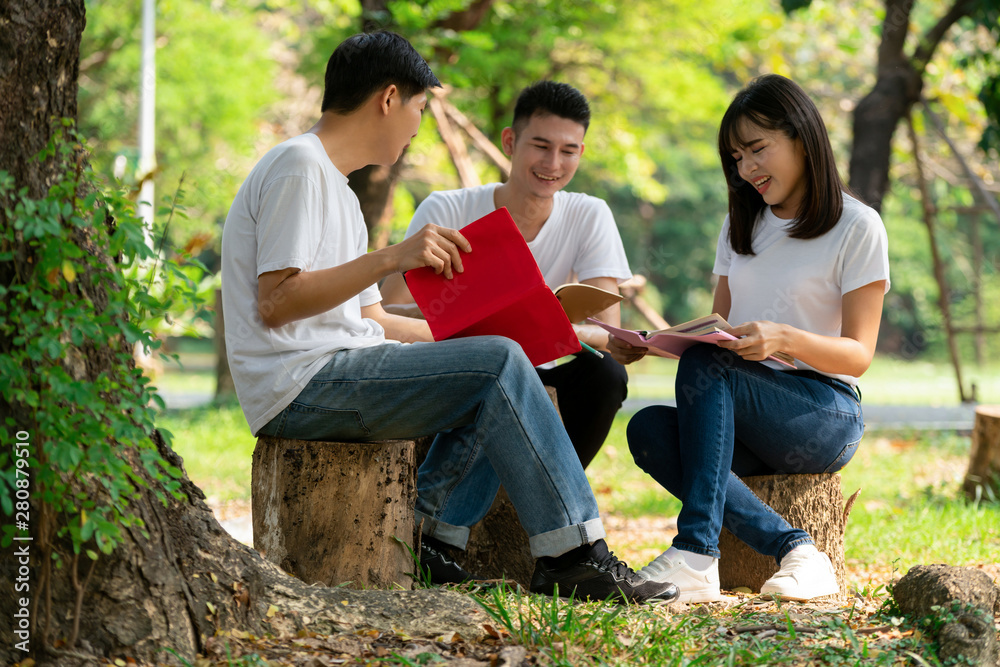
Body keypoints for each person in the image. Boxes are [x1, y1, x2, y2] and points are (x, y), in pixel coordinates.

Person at [220, 31, 676, 604]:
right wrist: (390, 258)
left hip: (340, 368)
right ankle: (574, 555)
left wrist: (485, 335)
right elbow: (278, 301)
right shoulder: (299, 167)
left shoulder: (336, 187)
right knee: (499, 363)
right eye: (417, 108)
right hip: (300, 387)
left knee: (503, 361)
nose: (416, 126)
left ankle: (432, 538)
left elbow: (376, 321)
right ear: (389, 98)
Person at [610, 74, 890, 603]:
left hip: (822, 411)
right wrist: (653, 341)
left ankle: (695, 553)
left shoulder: (858, 226)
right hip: (742, 414)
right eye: (736, 157)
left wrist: (785, 337)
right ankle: (798, 552)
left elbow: (859, 355)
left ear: (803, 137)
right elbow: (718, 329)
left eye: (758, 149)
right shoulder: (741, 223)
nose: (747, 169)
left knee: (709, 370)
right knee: (648, 428)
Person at [380, 81, 632, 469]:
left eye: (568, 151)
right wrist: (469, 317)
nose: (553, 164)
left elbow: (607, 333)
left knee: (606, 373)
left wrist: (545, 325)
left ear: (581, 153)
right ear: (510, 142)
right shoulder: (447, 209)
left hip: (543, 370)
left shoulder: (589, 214)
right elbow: (388, 314)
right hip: (459, 367)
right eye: (541, 146)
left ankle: (558, 481)